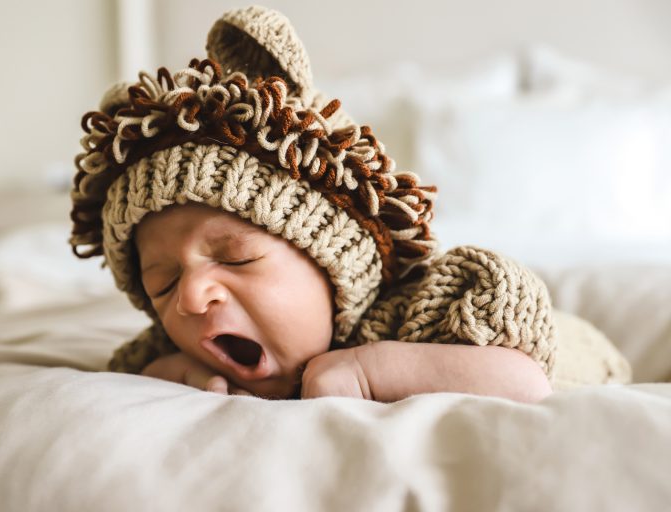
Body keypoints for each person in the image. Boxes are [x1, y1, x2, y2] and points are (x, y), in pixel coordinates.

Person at [69, 6, 629, 402]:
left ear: (336, 267)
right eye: (162, 284)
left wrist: (367, 372)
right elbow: (135, 366)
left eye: (236, 258)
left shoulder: (429, 312)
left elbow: (524, 382)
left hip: (580, 349)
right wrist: (179, 371)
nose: (190, 297)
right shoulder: (183, 339)